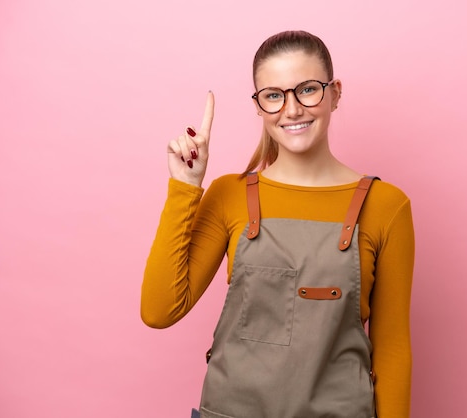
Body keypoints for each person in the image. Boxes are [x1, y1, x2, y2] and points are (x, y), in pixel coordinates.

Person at [141, 30, 415, 418]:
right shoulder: (228, 195)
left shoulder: (386, 206)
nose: (292, 110)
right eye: (273, 95)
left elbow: (392, 351)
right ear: (258, 106)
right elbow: (159, 310)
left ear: (335, 93)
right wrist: (185, 188)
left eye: (307, 89)